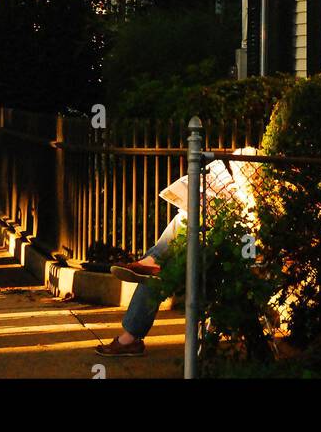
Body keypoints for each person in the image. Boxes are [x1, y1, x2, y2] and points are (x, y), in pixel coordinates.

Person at [98, 151, 259, 359]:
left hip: (218, 263)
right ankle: (152, 263)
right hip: (197, 253)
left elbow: (249, 253)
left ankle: (131, 337)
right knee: (182, 221)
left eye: (238, 169)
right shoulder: (237, 197)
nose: (233, 173)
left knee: (158, 271)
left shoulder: (258, 205)